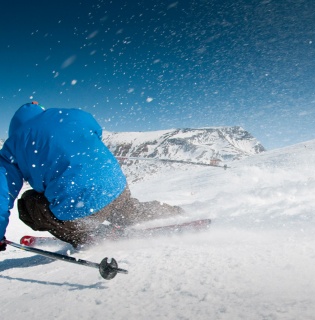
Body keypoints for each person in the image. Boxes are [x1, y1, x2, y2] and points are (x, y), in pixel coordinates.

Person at [0, 102, 182, 251]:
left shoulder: (13, 147)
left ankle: (85, 236)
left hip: (78, 207)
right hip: (115, 187)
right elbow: (97, 131)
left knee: (28, 203)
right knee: (129, 211)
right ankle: (175, 213)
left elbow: (2, 196)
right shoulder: (72, 115)